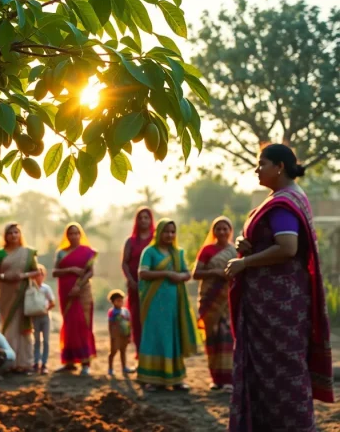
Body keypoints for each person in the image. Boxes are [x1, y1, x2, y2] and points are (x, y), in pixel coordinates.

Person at [225, 144, 334, 430]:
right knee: (275, 370)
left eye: (262, 163)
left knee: (283, 371)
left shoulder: (284, 202)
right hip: (273, 303)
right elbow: (268, 239)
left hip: (278, 306)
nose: (257, 169)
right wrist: (244, 244)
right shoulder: (284, 198)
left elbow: (287, 247)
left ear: (280, 167)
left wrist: (245, 263)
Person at [137, 219, 199, 392]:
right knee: (155, 336)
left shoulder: (178, 253)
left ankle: (176, 378)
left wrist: (181, 277)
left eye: (173, 232)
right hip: (154, 303)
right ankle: (151, 379)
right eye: (166, 231)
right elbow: (142, 273)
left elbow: (187, 273)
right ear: (158, 233)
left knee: (173, 337)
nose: (170, 235)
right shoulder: (150, 251)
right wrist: (167, 273)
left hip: (173, 304)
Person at [192, 217, 236, 392]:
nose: (222, 232)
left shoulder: (235, 252)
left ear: (230, 231)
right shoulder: (207, 250)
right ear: (213, 231)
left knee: (227, 337)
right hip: (210, 300)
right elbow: (196, 274)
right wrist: (215, 272)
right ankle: (216, 379)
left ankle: (228, 379)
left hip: (228, 300)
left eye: (225, 229)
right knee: (213, 338)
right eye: (218, 229)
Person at [0, 223, 39, 374]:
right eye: (10, 233)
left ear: (20, 234)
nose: (13, 235)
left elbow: (36, 271)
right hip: (6, 295)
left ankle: (24, 364)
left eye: (16, 232)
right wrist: (5, 276)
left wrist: (22, 276)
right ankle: (9, 363)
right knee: (9, 327)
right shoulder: (0, 254)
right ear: (6, 236)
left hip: (23, 294)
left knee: (24, 329)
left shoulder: (28, 252)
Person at [53, 223, 97, 376]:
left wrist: (79, 287)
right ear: (67, 236)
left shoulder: (87, 252)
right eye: (70, 234)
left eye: (76, 233)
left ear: (81, 235)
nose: (73, 236)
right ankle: (69, 362)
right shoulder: (61, 253)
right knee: (69, 324)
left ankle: (86, 362)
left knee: (83, 324)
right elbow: (54, 272)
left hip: (82, 292)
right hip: (66, 292)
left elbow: (90, 273)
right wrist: (70, 270)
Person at [121, 207, 154, 356]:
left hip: (154, 285)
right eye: (140, 218)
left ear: (151, 220)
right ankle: (141, 355)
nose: (143, 220)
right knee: (137, 321)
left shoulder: (156, 240)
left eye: (146, 217)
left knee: (152, 320)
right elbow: (125, 263)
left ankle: (153, 356)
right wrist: (131, 281)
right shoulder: (131, 241)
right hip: (135, 287)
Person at [31, 265, 55, 375]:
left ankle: (44, 364)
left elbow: (52, 302)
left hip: (45, 316)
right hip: (34, 316)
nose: (38, 277)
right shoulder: (31, 289)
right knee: (36, 341)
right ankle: (35, 363)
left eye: (40, 275)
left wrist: (45, 310)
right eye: (36, 275)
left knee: (45, 341)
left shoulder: (46, 288)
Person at [106, 290, 135, 377]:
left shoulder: (126, 311)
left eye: (121, 300)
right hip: (116, 336)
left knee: (123, 351)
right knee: (113, 352)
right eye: (118, 300)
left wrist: (129, 335)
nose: (120, 302)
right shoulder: (112, 312)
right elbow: (110, 324)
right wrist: (112, 335)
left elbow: (129, 323)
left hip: (124, 335)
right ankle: (110, 369)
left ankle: (124, 367)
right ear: (113, 302)